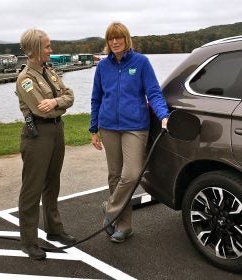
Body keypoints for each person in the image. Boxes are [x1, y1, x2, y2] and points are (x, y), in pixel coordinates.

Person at [89, 22, 169, 243]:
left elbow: (153, 93)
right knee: (115, 176)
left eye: (119, 38)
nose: (115, 42)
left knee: (132, 174)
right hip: (108, 127)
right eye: (111, 39)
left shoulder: (141, 62)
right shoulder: (103, 67)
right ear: (107, 42)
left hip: (135, 127)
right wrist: (93, 128)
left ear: (126, 39)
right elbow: (96, 98)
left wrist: (163, 115)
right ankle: (123, 226)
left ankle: (110, 210)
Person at [15, 28, 76, 260]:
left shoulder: (48, 71)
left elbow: (69, 96)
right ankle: (28, 241)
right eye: (48, 46)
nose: (51, 50)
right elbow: (42, 108)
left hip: (56, 131)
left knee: (53, 183)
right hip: (37, 134)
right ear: (35, 49)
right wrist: (58, 104)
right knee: (32, 189)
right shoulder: (26, 79)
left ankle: (54, 230)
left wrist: (57, 102)